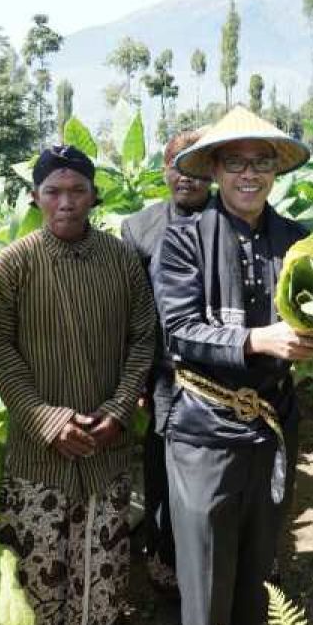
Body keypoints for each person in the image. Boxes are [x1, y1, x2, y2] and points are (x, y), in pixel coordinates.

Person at [154, 106, 313, 625]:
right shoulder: (184, 240)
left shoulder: (300, 242)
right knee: (206, 586)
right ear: (214, 170)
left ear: (276, 170)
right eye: (235, 162)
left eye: (261, 162)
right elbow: (180, 329)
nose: (249, 174)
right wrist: (255, 339)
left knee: (259, 576)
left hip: (272, 427)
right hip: (204, 434)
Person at [0, 144, 157, 625]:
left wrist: (118, 410)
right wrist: (48, 420)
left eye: (78, 190)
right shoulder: (12, 266)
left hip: (108, 449)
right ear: (35, 197)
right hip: (39, 459)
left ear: (94, 196)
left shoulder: (121, 261)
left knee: (103, 576)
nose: (66, 202)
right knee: (37, 574)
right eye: (53, 191)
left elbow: (143, 337)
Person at [120, 130, 211, 597]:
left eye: (196, 167)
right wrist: (135, 377)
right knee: (162, 469)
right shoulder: (140, 229)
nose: (186, 177)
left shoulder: (232, 219)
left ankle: (224, 557)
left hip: (224, 375)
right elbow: (135, 313)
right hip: (165, 376)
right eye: (177, 165)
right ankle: (163, 557)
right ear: (164, 169)